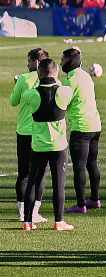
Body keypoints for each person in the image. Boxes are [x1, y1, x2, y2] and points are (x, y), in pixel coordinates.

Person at [20, 58, 75, 231]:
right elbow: (63, 92)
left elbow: (29, 98)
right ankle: (59, 221)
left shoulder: (30, 94)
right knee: (59, 182)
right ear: (56, 72)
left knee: (32, 182)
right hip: (58, 147)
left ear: (39, 73)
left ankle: (27, 222)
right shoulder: (64, 92)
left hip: (38, 146)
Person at [60, 48, 102, 214]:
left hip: (81, 128)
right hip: (95, 126)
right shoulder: (85, 76)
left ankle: (80, 204)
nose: (61, 62)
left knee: (79, 166)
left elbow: (63, 104)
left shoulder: (70, 81)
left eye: (62, 60)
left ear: (69, 62)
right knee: (92, 163)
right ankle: (95, 199)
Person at [10, 47, 49, 223]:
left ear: (36, 61)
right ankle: (34, 213)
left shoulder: (23, 79)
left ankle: (21, 211)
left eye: (29, 60)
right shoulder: (51, 78)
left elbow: (13, 101)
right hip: (41, 132)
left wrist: (17, 84)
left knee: (24, 173)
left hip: (24, 132)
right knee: (39, 173)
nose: (27, 64)